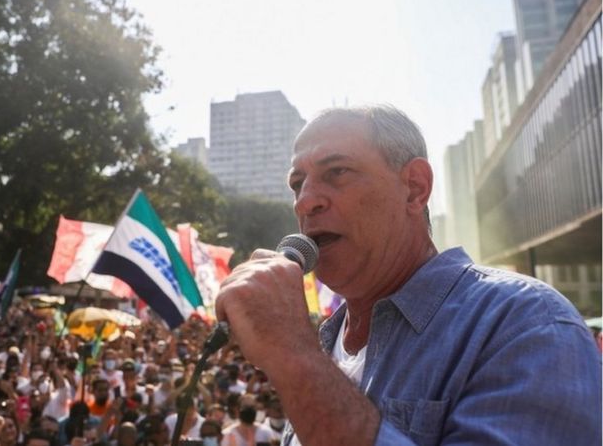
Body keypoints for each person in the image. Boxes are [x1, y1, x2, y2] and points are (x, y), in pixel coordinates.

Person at [214, 105, 602, 445]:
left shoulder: (527, 324)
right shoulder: (326, 340)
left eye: (337, 172)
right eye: (298, 184)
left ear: (415, 189)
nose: (305, 200)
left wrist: (294, 357)